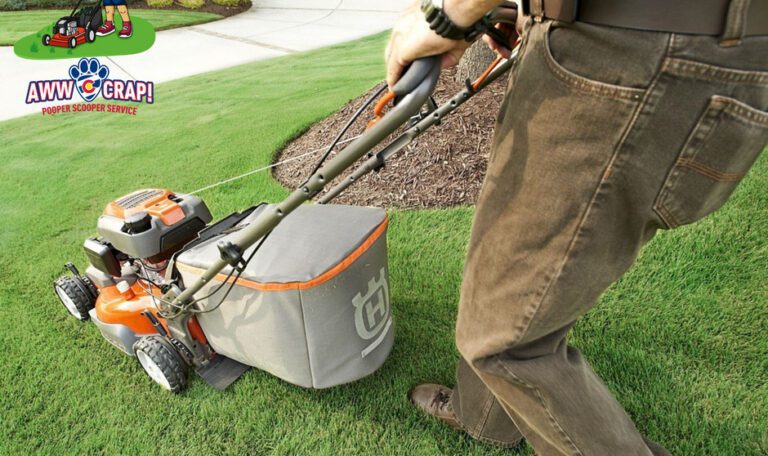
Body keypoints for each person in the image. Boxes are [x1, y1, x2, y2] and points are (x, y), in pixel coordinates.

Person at [386, 0, 768, 454]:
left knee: (506, 339)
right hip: (648, 43)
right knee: (512, 276)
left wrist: (446, 13)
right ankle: (485, 416)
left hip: (635, 52)